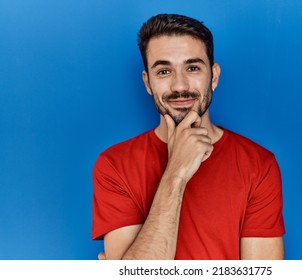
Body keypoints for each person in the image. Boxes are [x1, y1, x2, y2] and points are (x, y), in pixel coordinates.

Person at [92, 13, 285, 260]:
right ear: (148, 82)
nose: (180, 86)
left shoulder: (259, 165)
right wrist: (176, 173)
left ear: (213, 77)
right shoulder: (114, 165)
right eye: (163, 71)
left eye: (192, 68)